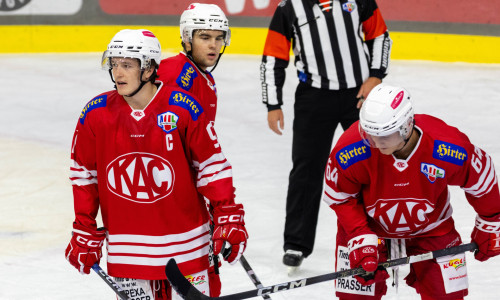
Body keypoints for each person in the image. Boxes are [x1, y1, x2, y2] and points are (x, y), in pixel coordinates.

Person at [64, 28, 248, 300]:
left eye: (127, 65)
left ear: (149, 69)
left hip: (187, 247)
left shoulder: (184, 108)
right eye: (114, 64)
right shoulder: (95, 113)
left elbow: (212, 168)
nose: (118, 72)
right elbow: (84, 176)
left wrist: (227, 214)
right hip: (128, 251)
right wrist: (84, 226)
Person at [323, 84, 500, 299]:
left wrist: (492, 220)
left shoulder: (447, 146)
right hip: (368, 228)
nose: (376, 143)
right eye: (369, 135)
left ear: (406, 126)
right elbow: (339, 196)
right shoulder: (351, 149)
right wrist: (358, 234)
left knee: (447, 296)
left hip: (432, 228)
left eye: (385, 136)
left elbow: (481, 178)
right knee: (355, 296)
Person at [260, 0, 392, 269]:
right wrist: (273, 104)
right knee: (306, 169)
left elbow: (379, 35)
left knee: (376, 164)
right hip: (314, 98)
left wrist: (376, 76)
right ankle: (296, 243)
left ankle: (385, 235)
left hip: (360, 95)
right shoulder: (289, 8)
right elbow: (273, 57)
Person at [157, 2, 230, 123]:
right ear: (187, 39)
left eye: (218, 38)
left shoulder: (205, 76)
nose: (214, 45)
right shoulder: (173, 72)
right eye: (205, 38)